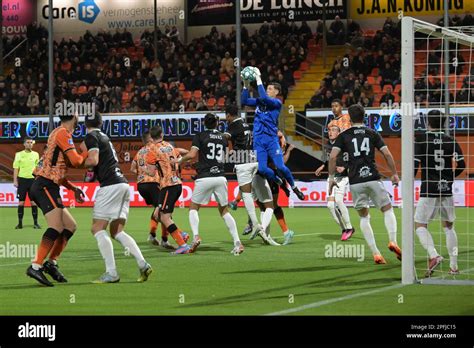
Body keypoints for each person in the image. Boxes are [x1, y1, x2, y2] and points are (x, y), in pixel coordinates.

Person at [83, 113, 152, 283]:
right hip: (123, 184)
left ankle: (112, 273)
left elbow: (93, 160)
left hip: (110, 186)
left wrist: (73, 162)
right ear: (101, 123)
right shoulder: (105, 137)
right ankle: (143, 264)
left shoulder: (91, 137)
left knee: (97, 228)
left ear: (86, 124)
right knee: (117, 231)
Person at [328, 104, 401, 264]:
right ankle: (393, 241)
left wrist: (332, 177)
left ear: (349, 116)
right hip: (373, 178)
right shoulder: (372, 133)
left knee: (364, 216)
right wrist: (394, 174)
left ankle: (376, 253)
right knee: (387, 210)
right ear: (364, 116)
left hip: (355, 182)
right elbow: (387, 154)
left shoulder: (344, 135)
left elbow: (333, 157)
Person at [26, 113, 87, 287]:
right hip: (44, 186)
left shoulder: (56, 134)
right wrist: (88, 153)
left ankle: (51, 263)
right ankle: (35, 265)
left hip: (48, 185)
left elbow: (57, 172)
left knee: (70, 226)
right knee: (57, 226)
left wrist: (73, 188)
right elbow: (76, 161)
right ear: (74, 121)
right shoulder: (62, 133)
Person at [177, 113, 244, 255]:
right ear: (216, 123)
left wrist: (177, 162)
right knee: (224, 211)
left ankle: (195, 237)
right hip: (220, 177)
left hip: (205, 177)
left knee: (193, 208)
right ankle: (237, 243)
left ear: (204, 123)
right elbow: (226, 155)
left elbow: (191, 154)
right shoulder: (223, 137)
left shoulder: (200, 135)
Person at [241, 67, 305, 201]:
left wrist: (258, 79)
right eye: (267, 88)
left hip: (271, 140)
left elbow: (263, 96)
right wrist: (246, 85)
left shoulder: (277, 103)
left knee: (281, 166)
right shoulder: (260, 102)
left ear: (276, 92)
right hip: (258, 140)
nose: (268, 90)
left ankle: (294, 187)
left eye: (270, 89)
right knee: (263, 169)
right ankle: (279, 181)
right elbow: (244, 101)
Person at [414, 110, 465, 277]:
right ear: (443, 123)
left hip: (429, 189)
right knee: (449, 227)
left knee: (420, 225)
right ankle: (454, 266)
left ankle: (434, 255)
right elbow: (462, 164)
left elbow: (415, 166)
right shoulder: (450, 140)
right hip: (446, 189)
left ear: (428, 122)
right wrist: (450, 178)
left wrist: (408, 181)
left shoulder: (421, 139)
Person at [223, 105, 279, 245]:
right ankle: (265, 233)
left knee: (246, 194)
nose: (226, 118)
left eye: (226, 116)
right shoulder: (246, 124)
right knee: (268, 204)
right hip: (254, 162)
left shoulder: (233, 125)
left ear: (229, 115)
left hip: (243, 164)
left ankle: (255, 225)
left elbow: (225, 138)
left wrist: (217, 136)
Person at [146, 126, 191, 254]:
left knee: (164, 217)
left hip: (168, 186)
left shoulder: (152, 150)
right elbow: (182, 155)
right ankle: (181, 233)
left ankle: (182, 245)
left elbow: (150, 172)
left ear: (151, 137)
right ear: (162, 134)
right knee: (157, 215)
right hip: (177, 184)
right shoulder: (170, 146)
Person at [131, 131, 174, 250]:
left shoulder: (139, 152)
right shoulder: (155, 148)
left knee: (157, 208)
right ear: (150, 140)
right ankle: (164, 240)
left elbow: (132, 169)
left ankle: (152, 234)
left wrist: (141, 174)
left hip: (141, 185)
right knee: (165, 211)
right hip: (153, 183)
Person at [315, 125, 354, 241]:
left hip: (342, 178)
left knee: (338, 201)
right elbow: (328, 159)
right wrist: (322, 166)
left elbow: (352, 159)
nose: (330, 132)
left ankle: (349, 227)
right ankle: (344, 229)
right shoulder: (328, 145)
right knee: (330, 206)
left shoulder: (344, 144)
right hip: (331, 178)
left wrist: (344, 168)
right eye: (329, 130)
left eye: (333, 130)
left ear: (338, 133)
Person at [13, 137, 41, 229]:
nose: (30, 144)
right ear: (24, 144)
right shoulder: (19, 154)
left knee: (34, 203)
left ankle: (36, 223)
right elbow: (16, 168)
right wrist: (15, 180)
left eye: (31, 142)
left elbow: (38, 168)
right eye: (28, 142)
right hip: (22, 180)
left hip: (33, 181)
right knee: (21, 203)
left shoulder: (36, 154)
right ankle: (20, 223)